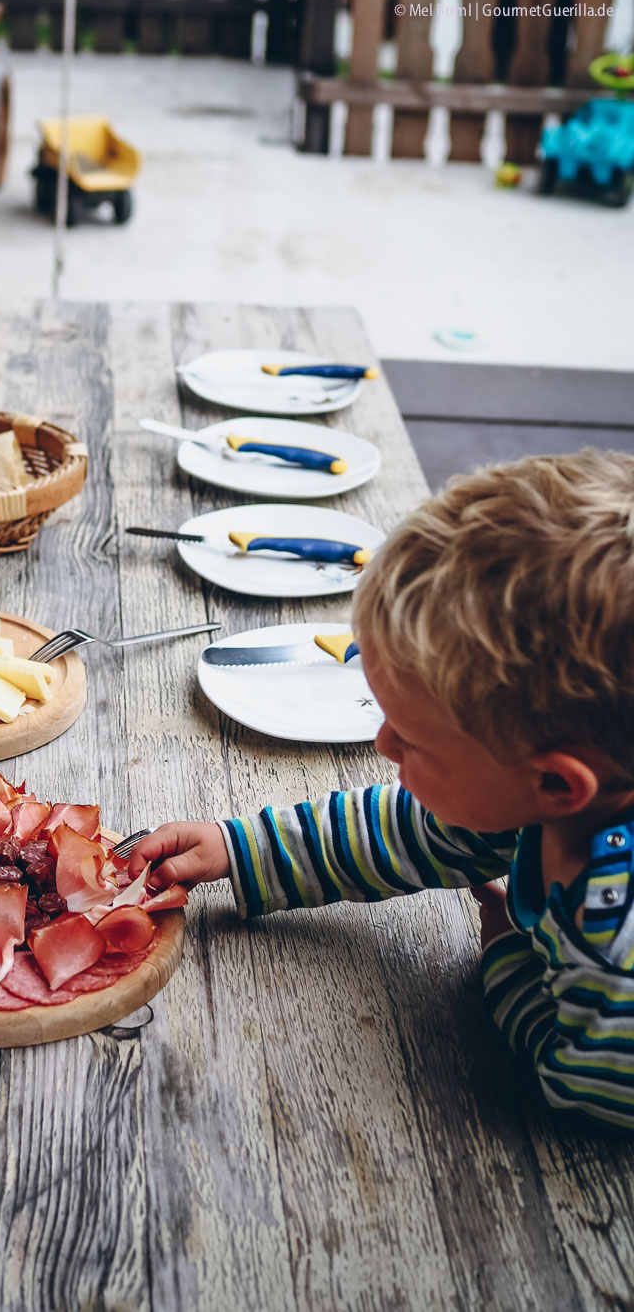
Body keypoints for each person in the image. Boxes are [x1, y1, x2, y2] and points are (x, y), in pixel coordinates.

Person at [128, 450, 634, 1132]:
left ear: (555, 782)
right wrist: (237, 848)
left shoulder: (615, 950)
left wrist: (507, 955)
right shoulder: (537, 795)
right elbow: (405, 831)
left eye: (412, 739)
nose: (383, 745)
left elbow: (587, 1086)